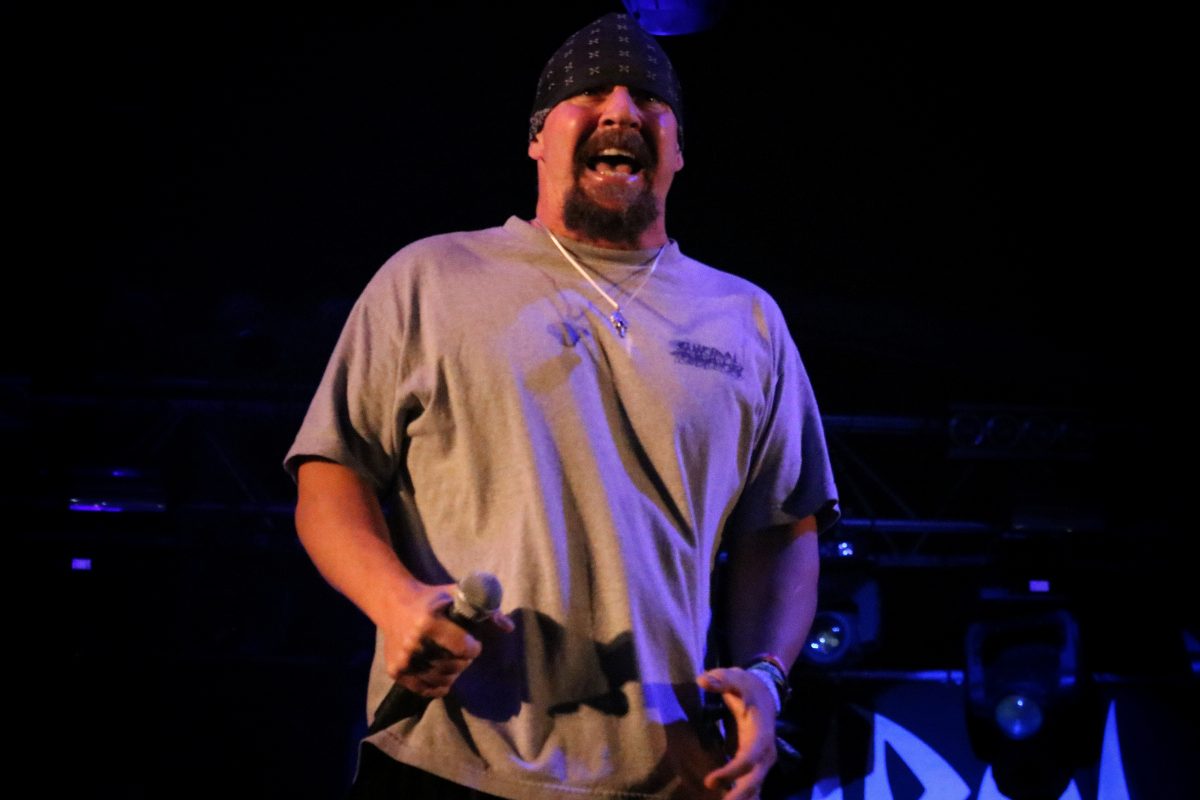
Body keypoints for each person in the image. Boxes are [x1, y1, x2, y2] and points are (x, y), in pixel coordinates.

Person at [286, 12, 838, 800]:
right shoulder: (432, 279)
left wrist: (766, 673)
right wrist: (396, 602)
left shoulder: (745, 319)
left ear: (679, 150)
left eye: (650, 99)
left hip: (669, 772)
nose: (622, 110)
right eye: (590, 93)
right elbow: (330, 475)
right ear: (538, 139)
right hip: (447, 761)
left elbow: (781, 527)